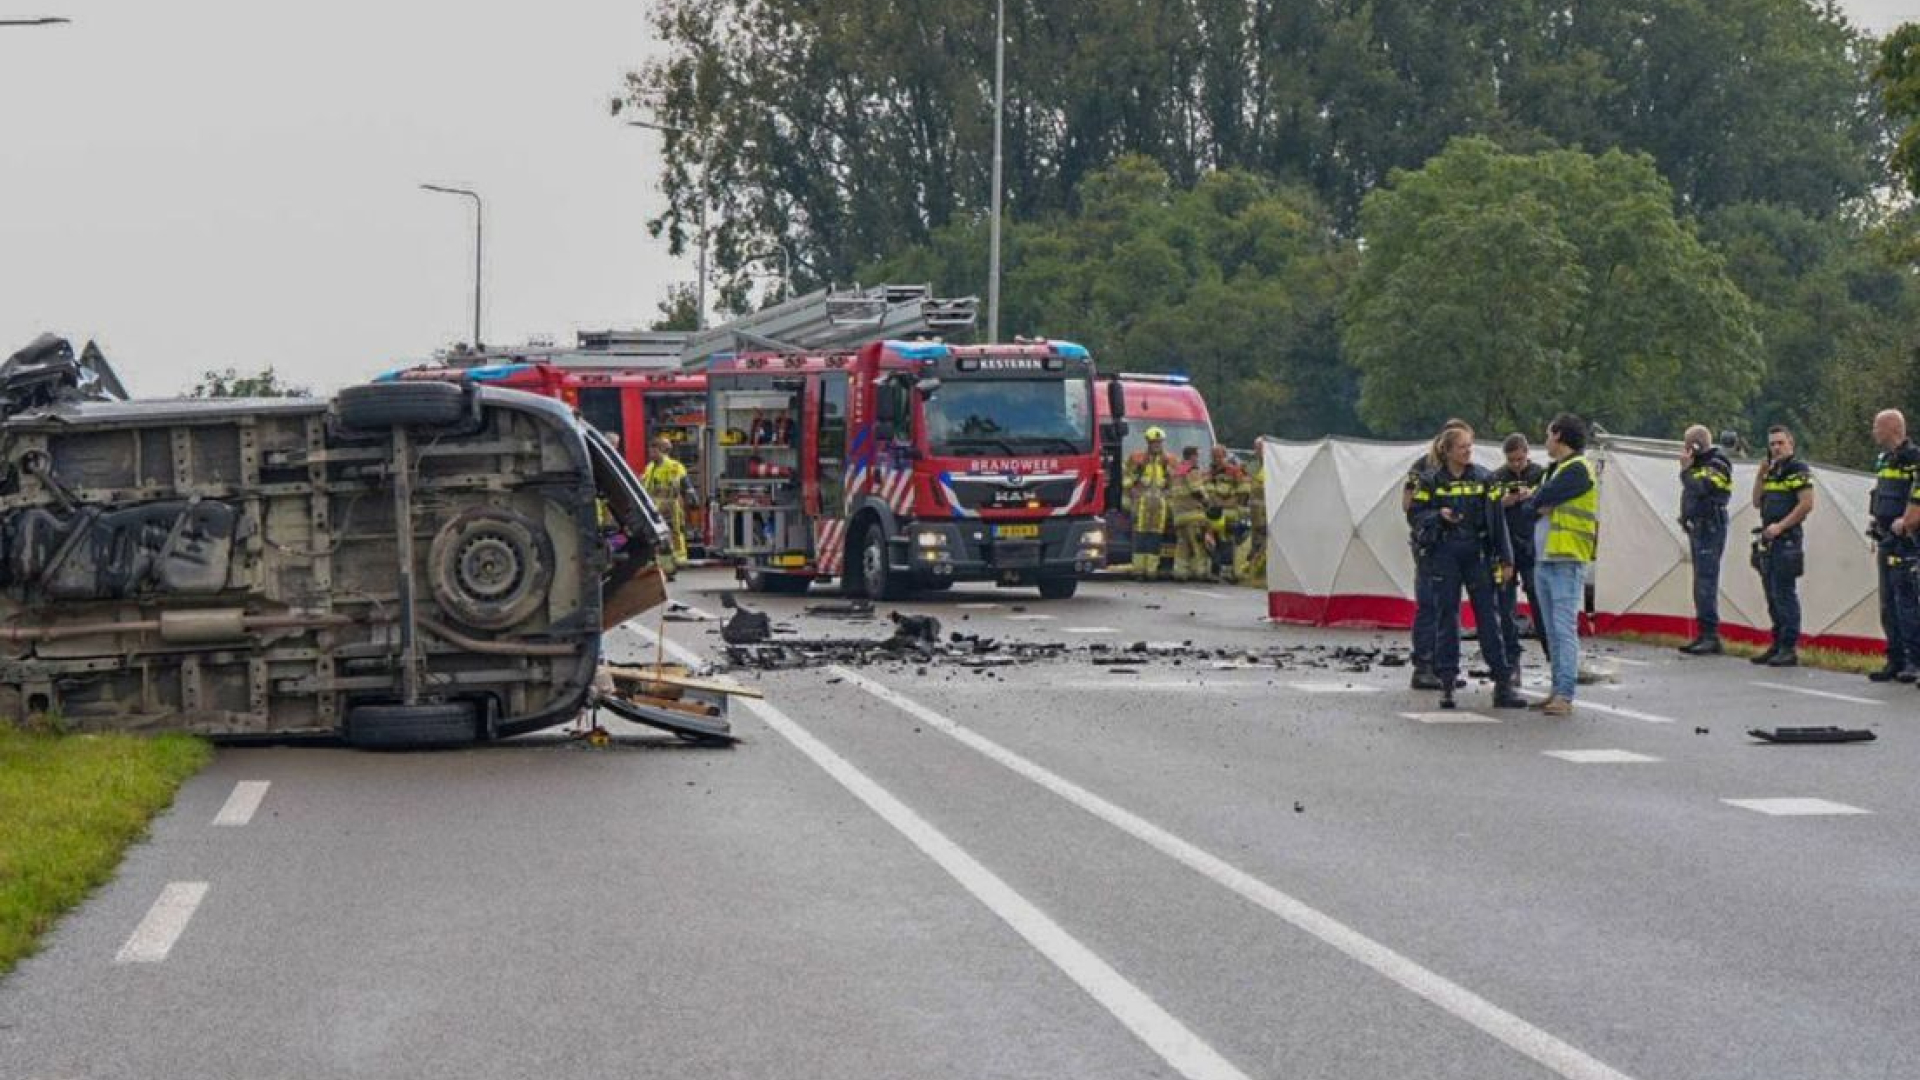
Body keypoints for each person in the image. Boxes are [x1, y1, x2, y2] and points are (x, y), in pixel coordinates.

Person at [1409, 425, 1526, 710]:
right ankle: (1447, 684)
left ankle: (1503, 684)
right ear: (1447, 451)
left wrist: (1506, 559)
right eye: (1462, 447)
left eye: (1469, 446)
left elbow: (1498, 523)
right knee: (1447, 619)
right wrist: (1439, 515)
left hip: (1478, 556)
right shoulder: (1430, 481)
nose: (1467, 451)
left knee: (1489, 618)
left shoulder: (1486, 479)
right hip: (1444, 555)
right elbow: (1415, 514)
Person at [1525, 413, 1597, 717]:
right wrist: (1537, 503)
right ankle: (1556, 689)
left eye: (1547, 434)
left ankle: (1565, 694)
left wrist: (1538, 502)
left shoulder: (1577, 468)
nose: (1545, 440)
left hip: (1566, 558)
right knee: (1551, 631)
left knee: (1563, 628)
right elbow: (1535, 504)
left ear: (1558, 435)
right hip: (1546, 557)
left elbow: (1542, 499)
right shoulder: (1553, 470)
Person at [1406, 419, 1470, 690]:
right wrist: (1437, 514)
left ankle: (1442, 666)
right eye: (1462, 445)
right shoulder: (1424, 468)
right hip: (1431, 543)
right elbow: (1409, 506)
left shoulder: (1461, 470)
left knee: (1445, 607)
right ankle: (1424, 665)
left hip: (1452, 545)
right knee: (1432, 605)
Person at [1749, 425, 1815, 667]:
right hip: (1768, 539)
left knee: (1784, 592)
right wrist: (1760, 475)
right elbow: (1756, 502)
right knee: (1771, 593)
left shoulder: (1797, 469)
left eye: (1780, 443)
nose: (1776, 448)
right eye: (1772, 444)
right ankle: (1777, 643)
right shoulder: (1771, 470)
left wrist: (1782, 526)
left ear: (1791, 444)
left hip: (1786, 539)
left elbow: (1806, 504)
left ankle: (1789, 647)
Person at [1867, 410, 1920, 682]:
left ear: (1892, 427)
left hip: (1907, 541)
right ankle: (1895, 659)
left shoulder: (1914, 459)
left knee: (1906, 603)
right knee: (1887, 603)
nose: (1873, 431)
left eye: (1877, 426)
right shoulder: (1884, 460)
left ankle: (1914, 661)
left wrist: (1907, 522)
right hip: (1885, 536)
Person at [1492, 433, 1548, 674]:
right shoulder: (1497, 477)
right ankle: (1511, 657)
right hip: (1506, 546)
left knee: (1538, 596)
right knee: (1505, 603)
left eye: (1519, 459)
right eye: (1511, 460)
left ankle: (1551, 652)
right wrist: (1503, 502)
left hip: (1532, 545)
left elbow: (1547, 502)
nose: (1516, 464)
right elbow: (1489, 508)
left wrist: (1529, 497)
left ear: (1527, 453)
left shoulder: (1540, 474)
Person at [1677, 424, 1735, 655]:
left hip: (1711, 527)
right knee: (1700, 582)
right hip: (1699, 527)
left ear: (1696, 445)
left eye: (1687, 445)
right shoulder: (1699, 465)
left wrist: (1685, 470)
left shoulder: (1718, 463)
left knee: (1706, 583)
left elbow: (1702, 488)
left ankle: (1710, 636)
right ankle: (1703, 634)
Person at [1123, 428, 1176, 579]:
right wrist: (1133, 486)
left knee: (1155, 537)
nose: (1157, 445)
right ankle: (1139, 570)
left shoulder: (1168, 461)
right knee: (1140, 536)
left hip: (1160, 504)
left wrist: (1169, 499)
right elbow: (1126, 479)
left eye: (1159, 442)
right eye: (1154, 442)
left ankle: (1151, 571)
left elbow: (1174, 484)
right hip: (1141, 503)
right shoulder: (1137, 459)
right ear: (1148, 442)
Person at [642, 435, 697, 573]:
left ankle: (679, 559)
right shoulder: (650, 467)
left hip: (670, 506)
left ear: (661, 450)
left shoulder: (673, 466)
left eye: (654, 451)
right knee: (659, 537)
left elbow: (684, 482)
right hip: (654, 507)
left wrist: (691, 495)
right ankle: (665, 565)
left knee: (675, 533)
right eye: (650, 451)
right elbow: (645, 485)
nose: (651, 454)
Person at [1203, 446, 1251, 582]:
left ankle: (1227, 572)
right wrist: (1214, 502)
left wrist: (1232, 502)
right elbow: (1206, 491)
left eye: (1219, 456)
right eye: (1214, 456)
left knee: (1227, 542)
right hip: (1214, 514)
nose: (1217, 459)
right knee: (1213, 542)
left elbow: (1244, 490)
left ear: (1225, 456)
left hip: (1229, 512)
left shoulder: (1234, 471)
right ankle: (1214, 572)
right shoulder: (1209, 473)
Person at [1170, 445, 1211, 581]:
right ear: (1192, 456)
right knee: (1198, 545)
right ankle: (1202, 572)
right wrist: (1207, 502)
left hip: (1179, 515)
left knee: (1182, 545)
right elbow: (1196, 490)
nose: (1198, 458)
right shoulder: (1192, 470)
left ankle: (1180, 572)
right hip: (1193, 514)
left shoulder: (1177, 471)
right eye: (1197, 455)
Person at [1236, 440, 1268, 583]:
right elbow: (1245, 478)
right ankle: (1251, 571)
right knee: (1256, 542)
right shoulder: (1254, 465)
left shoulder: (1272, 465)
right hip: (1255, 512)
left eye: (1259, 448)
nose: (1257, 451)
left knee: (1263, 542)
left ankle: (1254, 570)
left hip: (1266, 511)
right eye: (1256, 448)